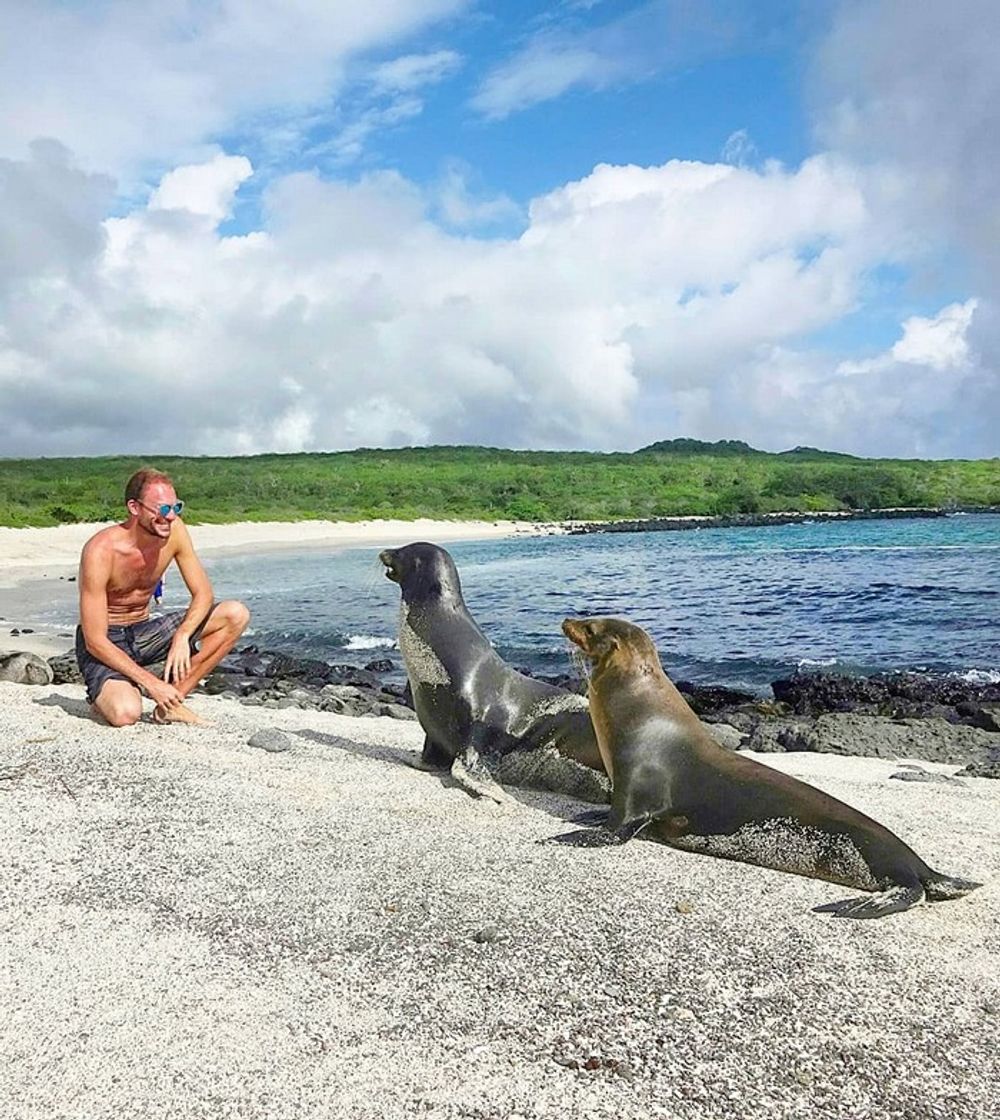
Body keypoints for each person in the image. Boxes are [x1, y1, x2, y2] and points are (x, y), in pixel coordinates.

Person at [76, 467, 250, 726]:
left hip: (146, 632)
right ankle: (110, 694)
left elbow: (203, 593)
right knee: (125, 714)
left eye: (176, 508)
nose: (170, 517)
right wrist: (152, 684)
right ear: (134, 508)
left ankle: (172, 704)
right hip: (107, 641)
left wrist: (182, 635)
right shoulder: (101, 551)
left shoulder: (174, 531)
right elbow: (94, 641)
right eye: (163, 509)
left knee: (235, 614)